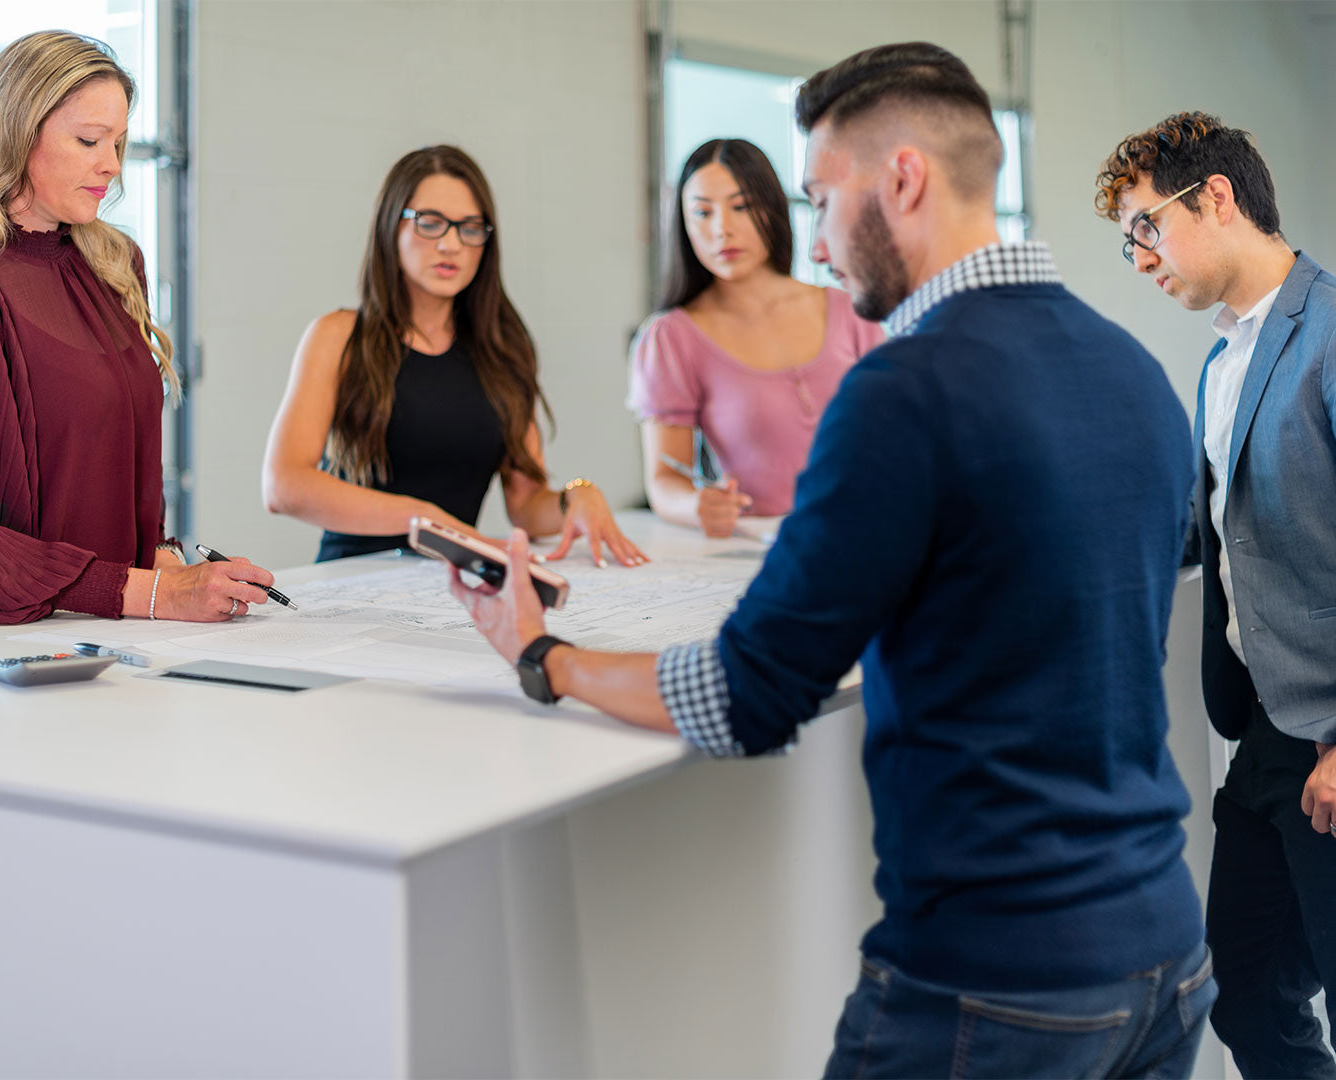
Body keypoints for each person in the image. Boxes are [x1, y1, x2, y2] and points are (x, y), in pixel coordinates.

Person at [451, 43, 1214, 1078]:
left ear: (900, 179)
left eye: (818, 199)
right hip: (1167, 965)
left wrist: (545, 656)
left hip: (993, 984)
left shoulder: (904, 389)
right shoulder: (1134, 371)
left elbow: (750, 692)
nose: (813, 244)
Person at [0, 30, 272, 630]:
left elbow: (117, 470)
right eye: (89, 140)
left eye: (118, 141)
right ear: (17, 133)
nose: (111, 165)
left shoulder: (116, 265)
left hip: (108, 639)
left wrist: (170, 567)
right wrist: (158, 594)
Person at [1097, 112, 1336, 1079]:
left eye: (1143, 227)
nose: (1138, 257)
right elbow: (1211, 525)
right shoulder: (1221, 359)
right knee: (1242, 991)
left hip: (1329, 738)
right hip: (1265, 734)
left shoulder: (1328, 333)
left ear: (1218, 197)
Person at [263, 145, 645, 569]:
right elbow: (284, 485)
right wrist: (425, 519)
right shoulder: (338, 335)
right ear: (392, 226)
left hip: (455, 586)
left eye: (470, 228)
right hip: (354, 580)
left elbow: (526, 504)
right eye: (430, 223)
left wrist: (575, 496)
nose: (451, 244)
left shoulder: (503, 349)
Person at [629, 138, 882, 536]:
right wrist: (697, 506)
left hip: (875, 535)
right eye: (702, 212)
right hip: (762, 553)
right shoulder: (671, 338)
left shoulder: (851, 310)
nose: (721, 229)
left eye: (741, 206)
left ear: (772, 208)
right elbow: (664, 481)